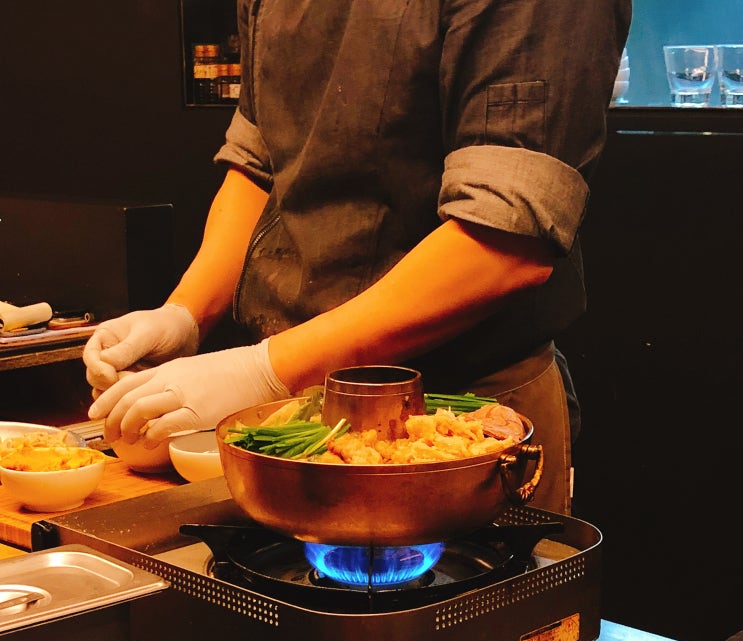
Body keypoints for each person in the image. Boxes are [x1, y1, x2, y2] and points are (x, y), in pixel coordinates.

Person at [84, 0, 632, 515]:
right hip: (293, 400)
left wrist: (260, 370)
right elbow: (260, 162)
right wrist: (185, 314)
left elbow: (507, 243)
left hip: (460, 420)